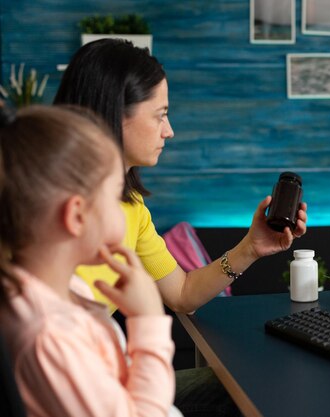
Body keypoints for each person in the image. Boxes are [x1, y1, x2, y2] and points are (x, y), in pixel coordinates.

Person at [54, 39, 307, 417]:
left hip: (111, 383)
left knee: (250, 384)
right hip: (85, 396)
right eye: (160, 115)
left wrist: (251, 247)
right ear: (114, 114)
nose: (169, 130)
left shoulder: (132, 208)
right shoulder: (49, 212)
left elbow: (183, 293)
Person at [0, 105, 179, 416]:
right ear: (77, 215)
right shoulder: (51, 338)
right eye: (115, 195)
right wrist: (147, 319)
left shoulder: (67, 288)